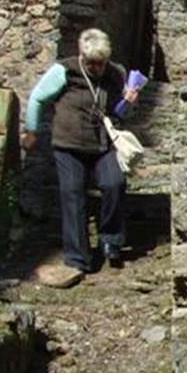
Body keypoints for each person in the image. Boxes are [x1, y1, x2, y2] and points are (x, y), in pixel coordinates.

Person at [20, 28, 140, 276]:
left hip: (103, 145)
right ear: (82, 56)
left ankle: (111, 241)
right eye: (91, 63)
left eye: (101, 63)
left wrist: (128, 101)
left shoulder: (116, 73)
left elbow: (118, 113)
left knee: (114, 183)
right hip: (68, 145)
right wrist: (31, 132)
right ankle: (78, 259)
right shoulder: (65, 71)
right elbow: (37, 99)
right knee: (73, 196)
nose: (97, 68)